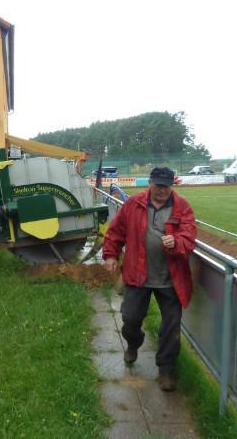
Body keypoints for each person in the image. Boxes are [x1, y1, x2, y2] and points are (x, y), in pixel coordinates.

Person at [102, 167, 197, 392]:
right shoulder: (133, 204)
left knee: (171, 326)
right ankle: (134, 343)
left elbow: (189, 235)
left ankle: (166, 369)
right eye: (158, 185)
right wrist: (111, 255)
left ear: (171, 186)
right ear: (150, 183)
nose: (162, 190)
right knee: (130, 319)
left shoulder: (182, 207)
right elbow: (116, 231)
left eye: (166, 186)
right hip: (137, 275)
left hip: (171, 279)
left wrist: (177, 242)